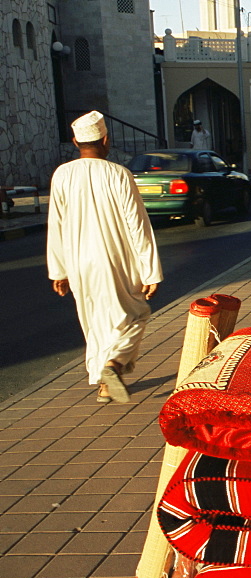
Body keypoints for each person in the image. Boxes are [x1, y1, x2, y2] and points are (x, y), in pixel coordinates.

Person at [47, 111, 163, 403]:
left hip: (78, 263)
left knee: (96, 322)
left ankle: (104, 385)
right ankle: (113, 365)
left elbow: (56, 224)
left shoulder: (62, 174)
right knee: (136, 315)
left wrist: (58, 270)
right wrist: (150, 271)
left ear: (75, 142)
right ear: (106, 140)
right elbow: (138, 225)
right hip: (117, 260)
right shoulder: (119, 174)